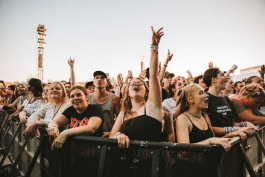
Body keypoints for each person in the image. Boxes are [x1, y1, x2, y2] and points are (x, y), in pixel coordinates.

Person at [109, 26, 164, 148]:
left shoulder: (152, 106)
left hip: (150, 162)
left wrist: (154, 48)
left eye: (140, 83)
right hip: (125, 162)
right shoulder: (123, 113)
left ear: (146, 92)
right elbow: (112, 134)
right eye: (132, 83)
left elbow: (154, 75)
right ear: (127, 92)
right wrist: (118, 135)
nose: (136, 83)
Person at [175, 84, 245, 150]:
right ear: (190, 99)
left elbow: (214, 141)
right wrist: (209, 141)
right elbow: (183, 149)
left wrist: (231, 134)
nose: (206, 95)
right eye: (201, 93)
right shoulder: (183, 119)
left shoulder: (205, 116)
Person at [47, 86, 104, 150]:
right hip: (74, 153)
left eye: (79, 95)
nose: (75, 98)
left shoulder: (95, 108)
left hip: (93, 153)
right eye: (72, 96)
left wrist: (66, 132)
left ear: (86, 97)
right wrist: (53, 127)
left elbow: (91, 128)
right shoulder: (71, 110)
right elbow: (55, 122)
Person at [203, 68, 255, 136]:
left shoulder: (226, 98)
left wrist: (244, 124)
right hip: (219, 143)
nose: (226, 78)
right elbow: (209, 128)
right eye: (222, 75)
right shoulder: (205, 99)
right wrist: (236, 129)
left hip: (234, 141)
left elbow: (231, 123)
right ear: (214, 79)